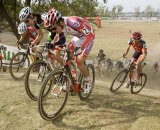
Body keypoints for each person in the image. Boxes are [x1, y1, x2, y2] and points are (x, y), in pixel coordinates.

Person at [44, 7, 95, 93]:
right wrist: (52, 43)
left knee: (79, 61)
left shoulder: (74, 23)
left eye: (54, 28)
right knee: (66, 59)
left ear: (60, 22)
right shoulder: (60, 25)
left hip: (88, 37)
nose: (53, 31)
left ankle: (88, 80)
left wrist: (80, 50)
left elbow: (89, 36)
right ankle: (73, 82)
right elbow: (57, 36)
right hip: (78, 37)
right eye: (51, 29)